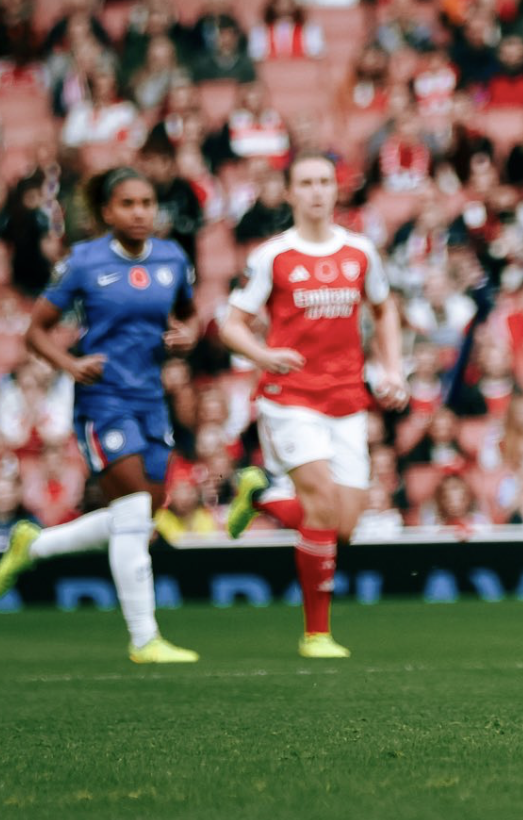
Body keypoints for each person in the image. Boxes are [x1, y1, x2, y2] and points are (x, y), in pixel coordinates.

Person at [0, 168, 201, 663]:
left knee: (143, 511)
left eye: (147, 203)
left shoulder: (173, 257)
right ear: (107, 212)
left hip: (151, 399)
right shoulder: (85, 262)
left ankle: (36, 545)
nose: (140, 213)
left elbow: (189, 314)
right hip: (102, 399)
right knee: (134, 509)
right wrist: (70, 364)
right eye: (128, 204)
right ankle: (144, 639)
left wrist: (188, 333)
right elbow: (36, 330)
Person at [217, 153, 409, 659]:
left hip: (348, 400)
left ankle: (260, 498)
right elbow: (230, 322)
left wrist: (392, 370)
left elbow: (385, 308)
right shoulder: (273, 256)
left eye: (325, 181)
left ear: (336, 189)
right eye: (306, 183)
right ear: (289, 193)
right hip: (291, 398)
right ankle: (316, 634)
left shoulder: (361, 251)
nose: (318, 191)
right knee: (321, 503)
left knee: (343, 526)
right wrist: (264, 355)